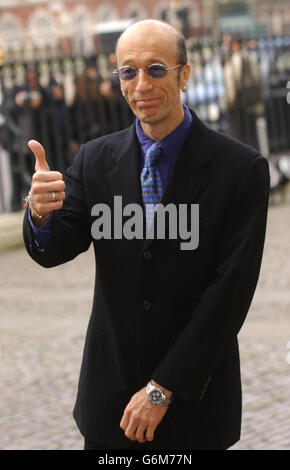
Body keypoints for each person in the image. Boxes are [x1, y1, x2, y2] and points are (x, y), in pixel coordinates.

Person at [23, 20, 270, 450]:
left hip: (196, 406)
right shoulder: (95, 160)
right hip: (110, 404)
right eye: (128, 71)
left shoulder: (241, 170)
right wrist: (40, 215)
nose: (142, 84)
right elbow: (56, 247)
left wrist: (162, 389)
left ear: (184, 74)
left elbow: (230, 294)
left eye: (156, 69)